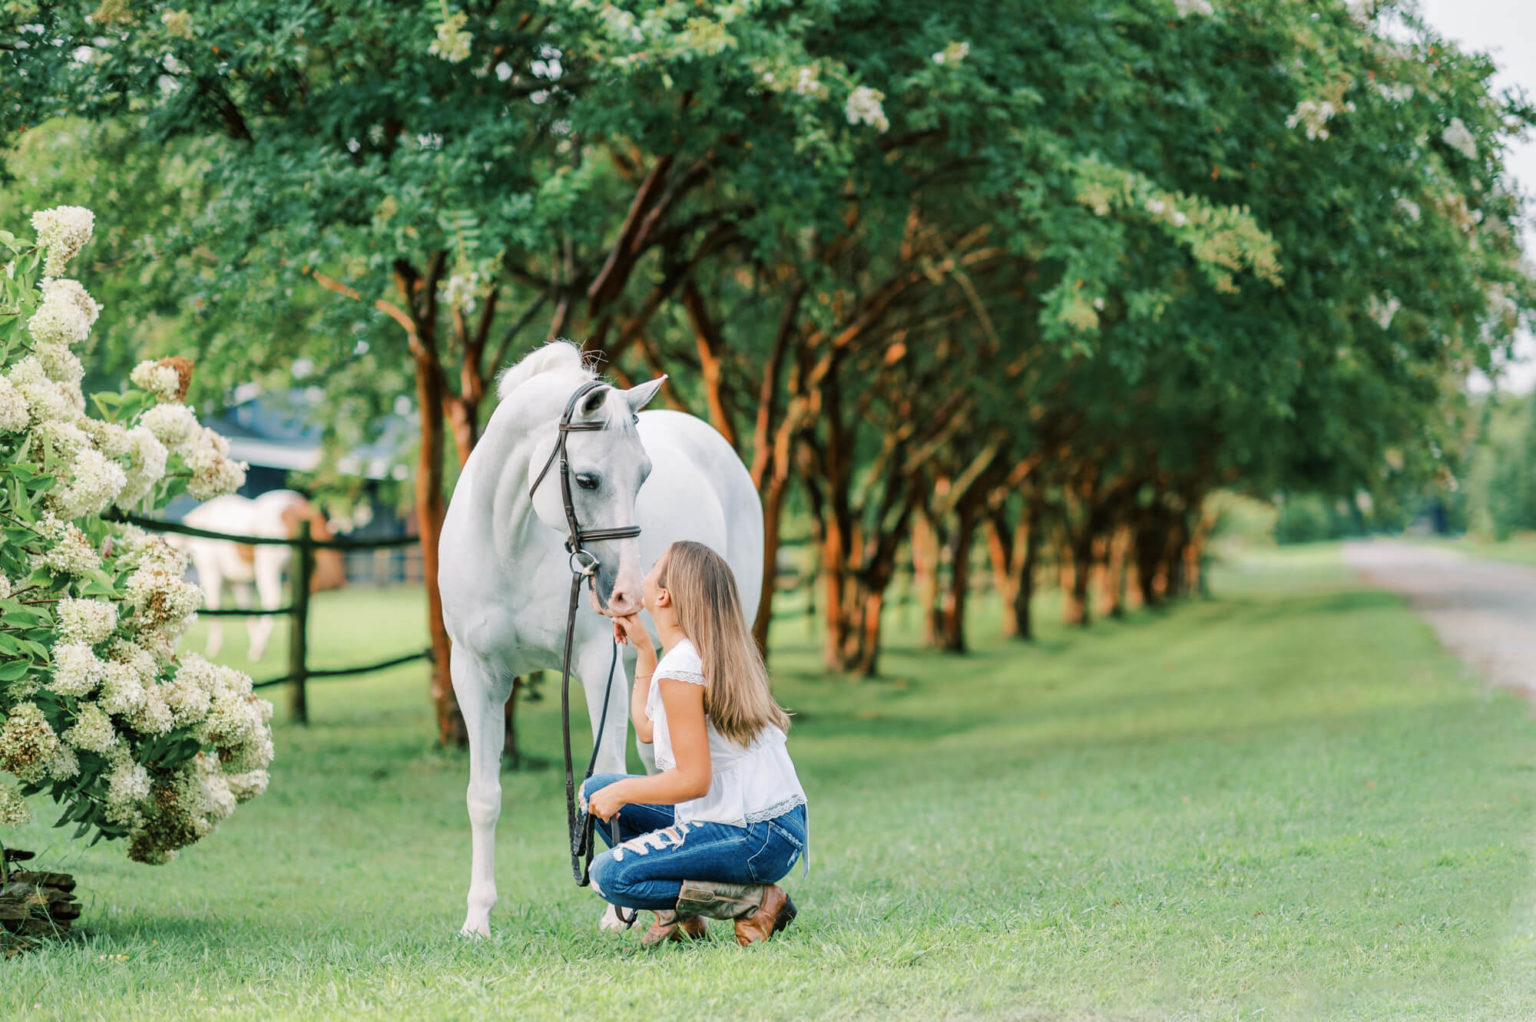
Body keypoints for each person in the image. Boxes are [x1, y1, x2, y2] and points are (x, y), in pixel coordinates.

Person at [580, 540, 808, 947]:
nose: (644, 575)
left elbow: (693, 780)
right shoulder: (692, 656)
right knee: (595, 793)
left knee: (609, 875)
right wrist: (645, 652)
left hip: (756, 835)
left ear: (663, 594)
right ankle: (681, 916)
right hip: (775, 828)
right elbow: (649, 730)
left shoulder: (684, 667)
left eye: (652, 567)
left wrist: (625, 790)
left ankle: (754, 901)